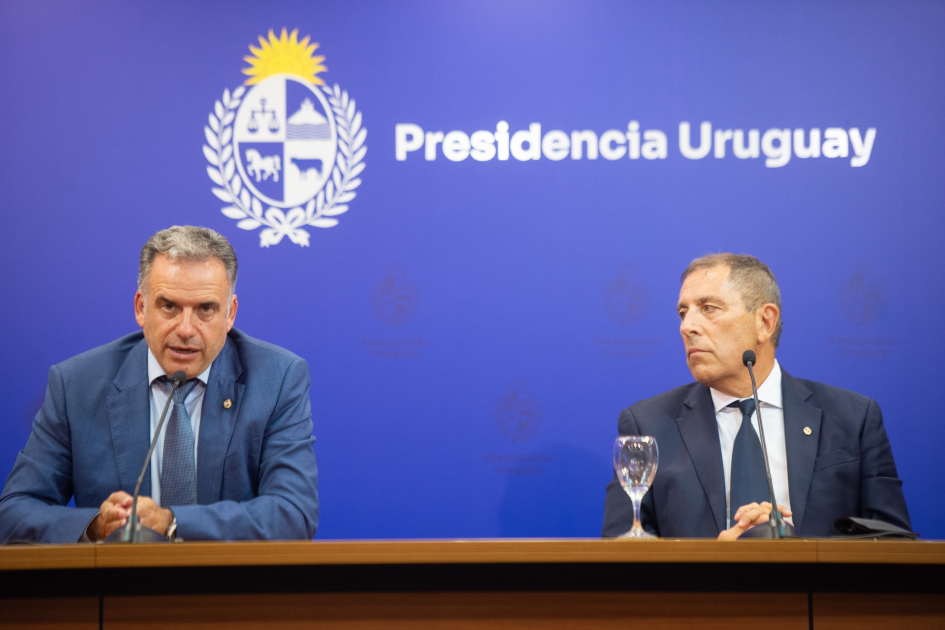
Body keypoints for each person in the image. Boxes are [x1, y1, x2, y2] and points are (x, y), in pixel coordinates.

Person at [0, 226, 318, 543]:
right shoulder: (77, 385)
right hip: (119, 576)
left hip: (228, 576)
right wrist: (96, 526)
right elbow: (13, 513)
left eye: (206, 309)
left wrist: (171, 522)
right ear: (141, 307)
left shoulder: (277, 379)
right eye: (169, 307)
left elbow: (294, 511)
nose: (186, 329)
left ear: (230, 313)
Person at [602, 254, 910, 539]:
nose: (687, 326)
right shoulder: (648, 426)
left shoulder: (853, 419)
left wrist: (796, 550)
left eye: (708, 308)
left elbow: (895, 546)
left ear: (765, 322)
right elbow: (619, 555)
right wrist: (713, 560)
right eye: (683, 313)